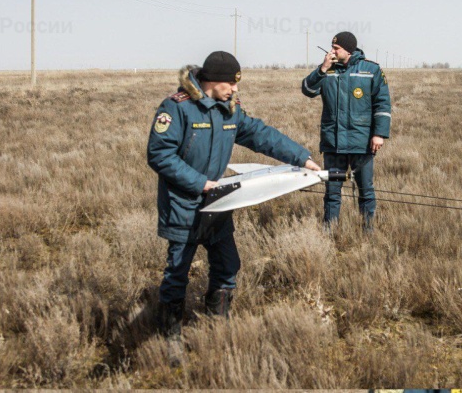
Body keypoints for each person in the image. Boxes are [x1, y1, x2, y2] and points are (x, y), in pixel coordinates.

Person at [147, 51, 320, 358]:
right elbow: (160, 155)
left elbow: (260, 135)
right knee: (177, 273)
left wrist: (302, 157)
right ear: (212, 80)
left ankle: (217, 327)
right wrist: (199, 182)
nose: (235, 89)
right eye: (231, 83)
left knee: (228, 267)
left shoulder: (230, 110)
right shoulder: (176, 108)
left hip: (218, 203)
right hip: (183, 205)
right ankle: (171, 336)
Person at [301, 31, 391, 231]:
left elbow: (382, 103)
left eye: (336, 48)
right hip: (333, 143)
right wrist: (323, 68)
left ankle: (367, 231)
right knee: (332, 191)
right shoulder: (327, 71)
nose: (332, 51)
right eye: (332, 47)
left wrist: (379, 134)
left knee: (365, 191)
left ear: (348, 50)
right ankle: (329, 231)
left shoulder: (371, 70)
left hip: (362, 142)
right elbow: (307, 89)